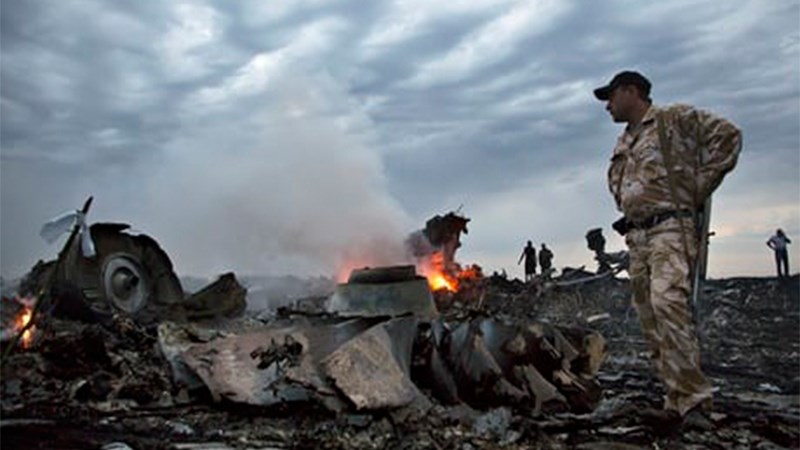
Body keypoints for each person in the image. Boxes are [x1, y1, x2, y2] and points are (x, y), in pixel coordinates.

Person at [595, 70, 742, 423]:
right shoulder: (624, 141)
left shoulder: (673, 119)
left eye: (611, 97)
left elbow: (728, 137)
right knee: (650, 317)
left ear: (631, 91)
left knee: (669, 305)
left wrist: (695, 189)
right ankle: (674, 398)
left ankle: (693, 401)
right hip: (638, 236)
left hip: (669, 230)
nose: (607, 107)